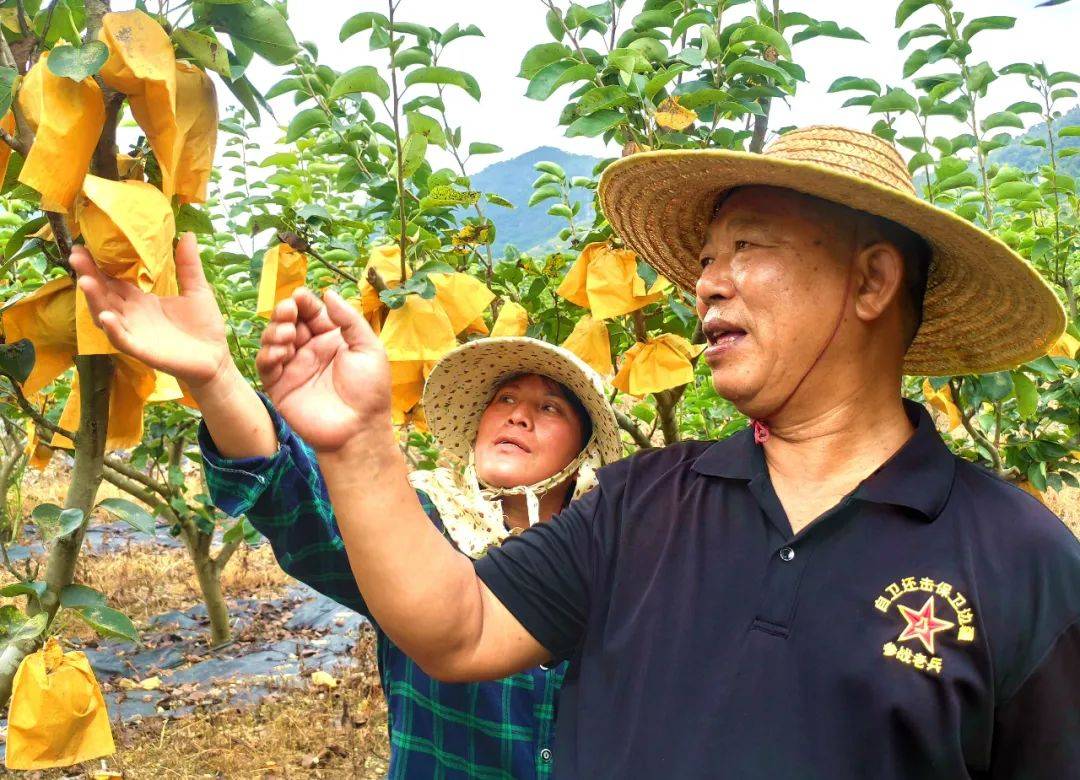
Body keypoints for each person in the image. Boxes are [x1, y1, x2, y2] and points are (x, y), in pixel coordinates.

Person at [75, 124, 1080, 778]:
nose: (709, 285)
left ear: (870, 282)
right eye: (705, 258)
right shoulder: (645, 503)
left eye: (750, 248)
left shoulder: (1020, 556)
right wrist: (352, 437)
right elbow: (455, 628)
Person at [69, 238, 622, 777]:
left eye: (548, 407)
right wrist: (213, 377)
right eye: (505, 399)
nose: (517, 417)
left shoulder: (622, 551)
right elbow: (295, 496)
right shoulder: (421, 529)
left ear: (583, 450)